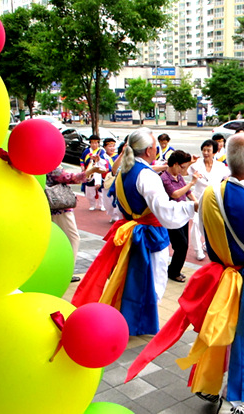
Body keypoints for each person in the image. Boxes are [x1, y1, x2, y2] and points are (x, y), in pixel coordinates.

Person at [126, 132, 244, 414]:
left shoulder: (209, 194)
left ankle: (209, 383)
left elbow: (202, 236)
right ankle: (236, 401)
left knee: (217, 332)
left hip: (218, 277)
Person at [71, 127, 198, 336]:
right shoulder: (147, 176)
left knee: (133, 279)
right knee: (153, 282)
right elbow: (165, 210)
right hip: (150, 235)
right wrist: (191, 207)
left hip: (132, 231)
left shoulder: (125, 171)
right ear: (149, 150)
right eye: (155, 144)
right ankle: (138, 323)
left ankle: (127, 320)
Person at [47, 165, 102, 282]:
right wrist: (91, 171)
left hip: (49, 207)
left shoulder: (39, 163)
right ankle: (67, 271)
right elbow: (70, 178)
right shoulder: (50, 165)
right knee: (73, 238)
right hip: (60, 209)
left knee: (54, 240)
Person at [188, 139, 230, 261]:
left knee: (212, 223)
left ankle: (208, 244)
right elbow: (184, 171)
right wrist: (190, 161)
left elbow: (228, 179)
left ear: (214, 152)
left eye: (208, 150)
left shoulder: (221, 167)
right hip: (198, 198)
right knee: (196, 223)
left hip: (214, 199)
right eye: (204, 150)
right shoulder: (196, 165)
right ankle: (197, 250)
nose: (205, 153)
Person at [161, 150, 199, 283]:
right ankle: (173, 271)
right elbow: (175, 194)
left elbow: (187, 192)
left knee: (184, 244)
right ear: (175, 164)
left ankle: (174, 269)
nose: (183, 170)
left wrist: (196, 202)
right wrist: (192, 182)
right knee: (180, 245)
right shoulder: (165, 178)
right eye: (182, 167)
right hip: (171, 216)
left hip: (182, 214)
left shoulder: (178, 176)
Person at [80, 134, 106, 211]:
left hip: (98, 172)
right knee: (90, 190)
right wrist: (82, 167)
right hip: (89, 172)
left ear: (98, 143)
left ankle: (102, 205)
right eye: (92, 143)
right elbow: (82, 159)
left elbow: (104, 161)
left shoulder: (101, 151)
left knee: (100, 189)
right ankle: (92, 204)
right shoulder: (86, 151)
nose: (94, 144)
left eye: (96, 143)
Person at [102, 137, 122, 223]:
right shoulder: (101, 157)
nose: (112, 148)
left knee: (116, 199)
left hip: (117, 181)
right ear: (105, 147)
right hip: (106, 181)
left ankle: (117, 216)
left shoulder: (118, 157)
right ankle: (112, 215)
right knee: (107, 200)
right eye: (110, 146)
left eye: (114, 146)